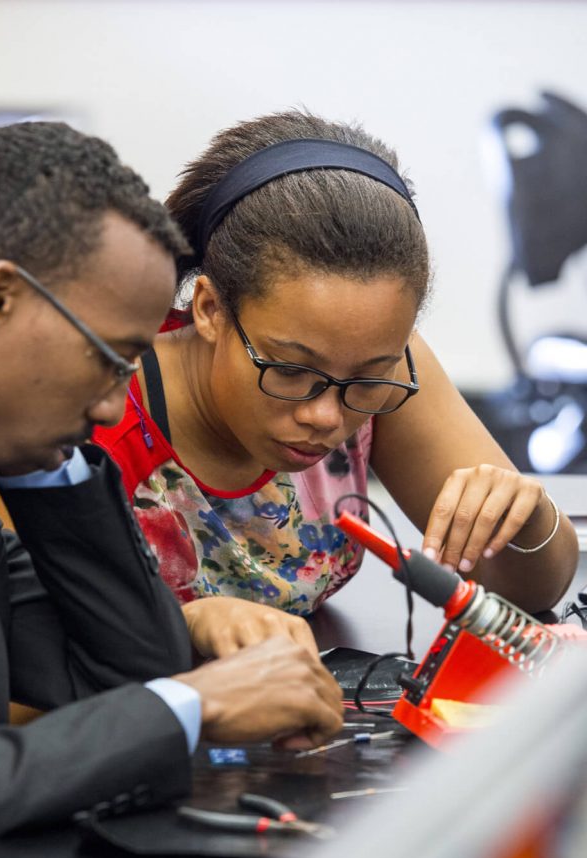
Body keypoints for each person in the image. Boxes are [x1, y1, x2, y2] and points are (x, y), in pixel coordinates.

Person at [0, 120, 343, 858]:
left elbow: (127, 671)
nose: (117, 404)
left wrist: (55, 465)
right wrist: (197, 704)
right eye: (109, 358)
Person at [94, 109, 577, 623]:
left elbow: (529, 591)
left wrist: (528, 518)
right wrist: (187, 629)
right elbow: (24, 684)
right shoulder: (101, 414)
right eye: (290, 371)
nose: (327, 417)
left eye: (367, 375)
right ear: (210, 310)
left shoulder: (376, 371)